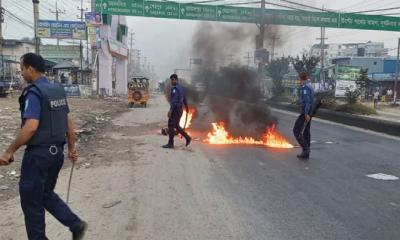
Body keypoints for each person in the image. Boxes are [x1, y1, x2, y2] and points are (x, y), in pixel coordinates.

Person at [0, 53, 87, 240]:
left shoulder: (34, 92)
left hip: (38, 156)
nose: (21, 73)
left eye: (22, 69)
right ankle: (75, 223)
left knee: (31, 200)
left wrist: (9, 150)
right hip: (56, 155)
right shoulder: (57, 90)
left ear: (31, 68)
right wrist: (71, 148)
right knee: (45, 193)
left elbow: (30, 126)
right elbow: (68, 123)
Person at [162, 74, 192, 148]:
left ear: (176, 80)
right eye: (171, 80)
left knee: (171, 125)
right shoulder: (181, 88)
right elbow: (184, 98)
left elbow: (174, 101)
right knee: (177, 126)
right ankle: (187, 137)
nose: (172, 81)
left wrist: (171, 110)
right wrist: (187, 108)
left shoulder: (175, 89)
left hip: (175, 109)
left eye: (173, 79)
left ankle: (170, 143)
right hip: (180, 110)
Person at [293, 72, 314, 159]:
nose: (299, 81)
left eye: (299, 79)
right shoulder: (308, 86)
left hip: (306, 113)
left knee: (296, 130)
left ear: (301, 79)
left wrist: (306, 114)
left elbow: (307, 102)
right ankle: (306, 153)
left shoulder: (305, 88)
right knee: (306, 132)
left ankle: (305, 149)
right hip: (309, 112)